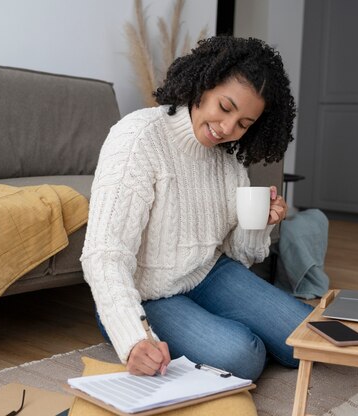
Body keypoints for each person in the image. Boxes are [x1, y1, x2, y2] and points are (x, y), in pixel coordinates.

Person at [80, 36, 313, 381]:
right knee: (243, 357)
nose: (227, 129)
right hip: (148, 293)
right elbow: (104, 254)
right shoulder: (137, 138)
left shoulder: (228, 158)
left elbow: (239, 253)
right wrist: (133, 339)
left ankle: (214, 325)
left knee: (307, 338)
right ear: (203, 83)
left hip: (209, 273)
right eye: (225, 107)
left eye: (244, 124)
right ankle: (205, 330)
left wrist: (259, 224)